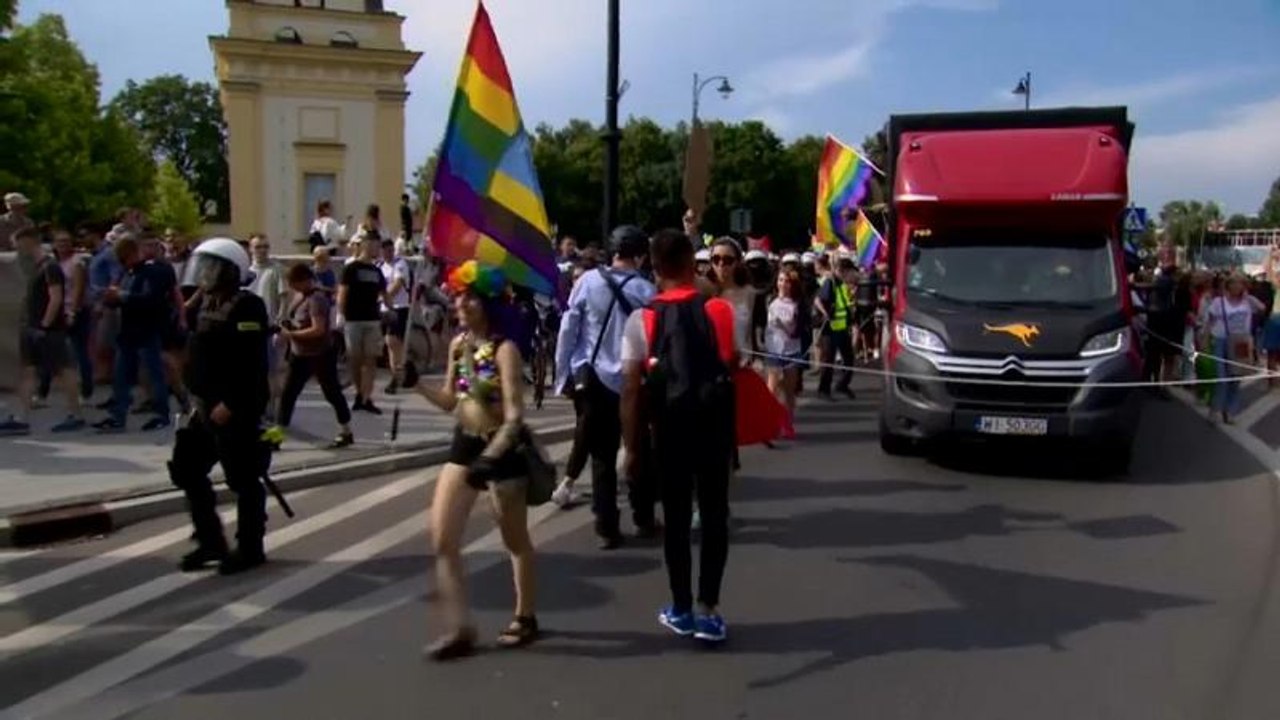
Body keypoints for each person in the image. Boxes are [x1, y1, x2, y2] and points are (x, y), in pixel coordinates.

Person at [410, 260, 540, 661]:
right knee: (442, 538)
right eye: (458, 297)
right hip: (464, 446)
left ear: (487, 303)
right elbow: (452, 400)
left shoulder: (506, 350)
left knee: (514, 540)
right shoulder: (458, 345)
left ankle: (526, 616)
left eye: (468, 298)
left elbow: (516, 415)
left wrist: (493, 456)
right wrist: (416, 384)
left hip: (501, 451)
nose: (460, 304)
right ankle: (460, 627)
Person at [621, 229, 736, 644]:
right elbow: (731, 360)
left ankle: (681, 607)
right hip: (713, 429)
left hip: (668, 430)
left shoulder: (642, 319)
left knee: (675, 522)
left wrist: (632, 447)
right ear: (693, 263)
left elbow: (632, 389)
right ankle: (709, 609)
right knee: (714, 515)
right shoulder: (719, 311)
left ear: (653, 268)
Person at [169, 238, 272, 575]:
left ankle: (250, 547)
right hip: (203, 406)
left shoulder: (248, 307)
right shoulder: (204, 303)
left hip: (234, 408)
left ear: (230, 271)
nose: (205, 274)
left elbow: (251, 365)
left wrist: (231, 403)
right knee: (186, 468)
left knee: (243, 479)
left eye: (212, 267)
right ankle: (210, 540)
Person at [552, 225, 657, 545]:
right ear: (639, 256)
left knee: (601, 455)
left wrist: (562, 375)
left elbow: (568, 329)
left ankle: (606, 526)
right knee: (638, 449)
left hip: (594, 378)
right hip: (633, 382)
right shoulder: (647, 292)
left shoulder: (587, 281)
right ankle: (643, 517)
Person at [0, 227, 84, 434]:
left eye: (17, 243)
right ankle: (22, 417)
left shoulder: (50, 266)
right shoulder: (36, 267)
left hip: (48, 329)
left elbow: (56, 297)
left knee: (64, 370)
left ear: (28, 241)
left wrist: (44, 325)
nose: (16, 248)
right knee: (27, 372)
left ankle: (75, 414)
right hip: (31, 327)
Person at [278, 263, 354, 448]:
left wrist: (292, 335)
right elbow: (295, 318)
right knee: (288, 393)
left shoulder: (316, 299)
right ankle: (277, 435)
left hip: (319, 354)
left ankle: (346, 430)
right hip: (299, 353)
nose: (292, 287)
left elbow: (318, 329)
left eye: (295, 283)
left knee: (331, 392)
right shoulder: (300, 297)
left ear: (304, 281)